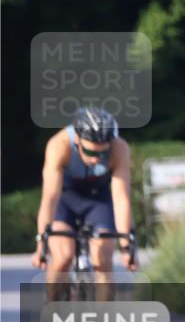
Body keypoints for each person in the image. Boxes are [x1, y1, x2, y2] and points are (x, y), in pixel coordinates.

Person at [32, 107, 137, 300]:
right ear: (77, 141)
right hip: (65, 199)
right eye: (90, 151)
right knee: (63, 257)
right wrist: (42, 244)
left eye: (103, 154)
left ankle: (105, 320)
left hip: (98, 200)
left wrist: (126, 246)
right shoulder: (59, 144)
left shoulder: (119, 148)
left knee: (102, 260)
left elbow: (121, 199)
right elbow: (50, 197)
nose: (96, 159)